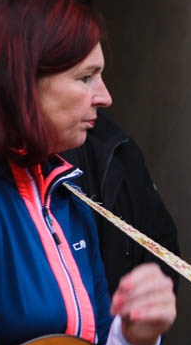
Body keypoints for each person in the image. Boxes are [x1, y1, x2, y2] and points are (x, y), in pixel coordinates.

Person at [0, 0, 191, 345]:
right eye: (85, 78)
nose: (104, 97)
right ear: (19, 83)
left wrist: (134, 337)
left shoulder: (68, 192)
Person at [61, 110, 181, 294]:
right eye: (83, 82)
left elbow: (160, 243)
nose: (105, 98)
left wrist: (147, 296)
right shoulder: (18, 180)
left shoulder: (117, 145)